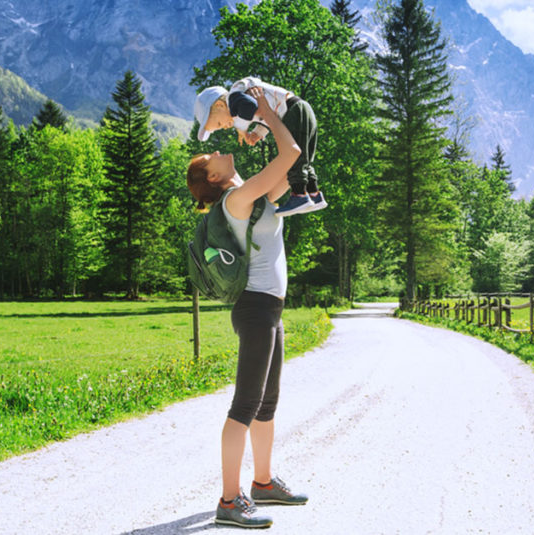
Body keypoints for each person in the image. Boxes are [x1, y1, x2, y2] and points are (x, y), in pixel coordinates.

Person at [187, 86, 309, 529]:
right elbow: (291, 150)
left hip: (269, 310)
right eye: (211, 159)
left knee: (267, 403)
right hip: (256, 310)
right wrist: (264, 114)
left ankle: (262, 483)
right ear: (214, 179)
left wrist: (259, 126)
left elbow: (289, 168)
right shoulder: (236, 201)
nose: (219, 150)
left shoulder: (253, 197)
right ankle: (228, 499)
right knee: (245, 405)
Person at [194, 76, 325, 217]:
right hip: (300, 110)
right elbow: (265, 115)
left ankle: (299, 195)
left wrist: (242, 130)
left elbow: (252, 107)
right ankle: (314, 194)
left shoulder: (234, 99)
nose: (225, 128)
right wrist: (257, 133)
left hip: (293, 112)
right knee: (305, 161)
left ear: (219, 105)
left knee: (298, 163)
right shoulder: (239, 101)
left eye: (219, 124)